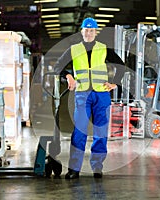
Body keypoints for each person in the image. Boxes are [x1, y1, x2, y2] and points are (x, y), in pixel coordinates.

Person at [54, 17, 125, 179]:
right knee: (79, 131)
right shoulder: (74, 49)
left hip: (101, 94)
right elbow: (58, 66)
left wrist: (114, 83)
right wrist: (68, 76)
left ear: (95, 32)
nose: (89, 33)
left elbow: (121, 66)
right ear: (82, 32)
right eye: (86, 30)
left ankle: (97, 166)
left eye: (92, 30)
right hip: (82, 95)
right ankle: (74, 169)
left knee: (101, 131)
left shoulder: (103, 48)